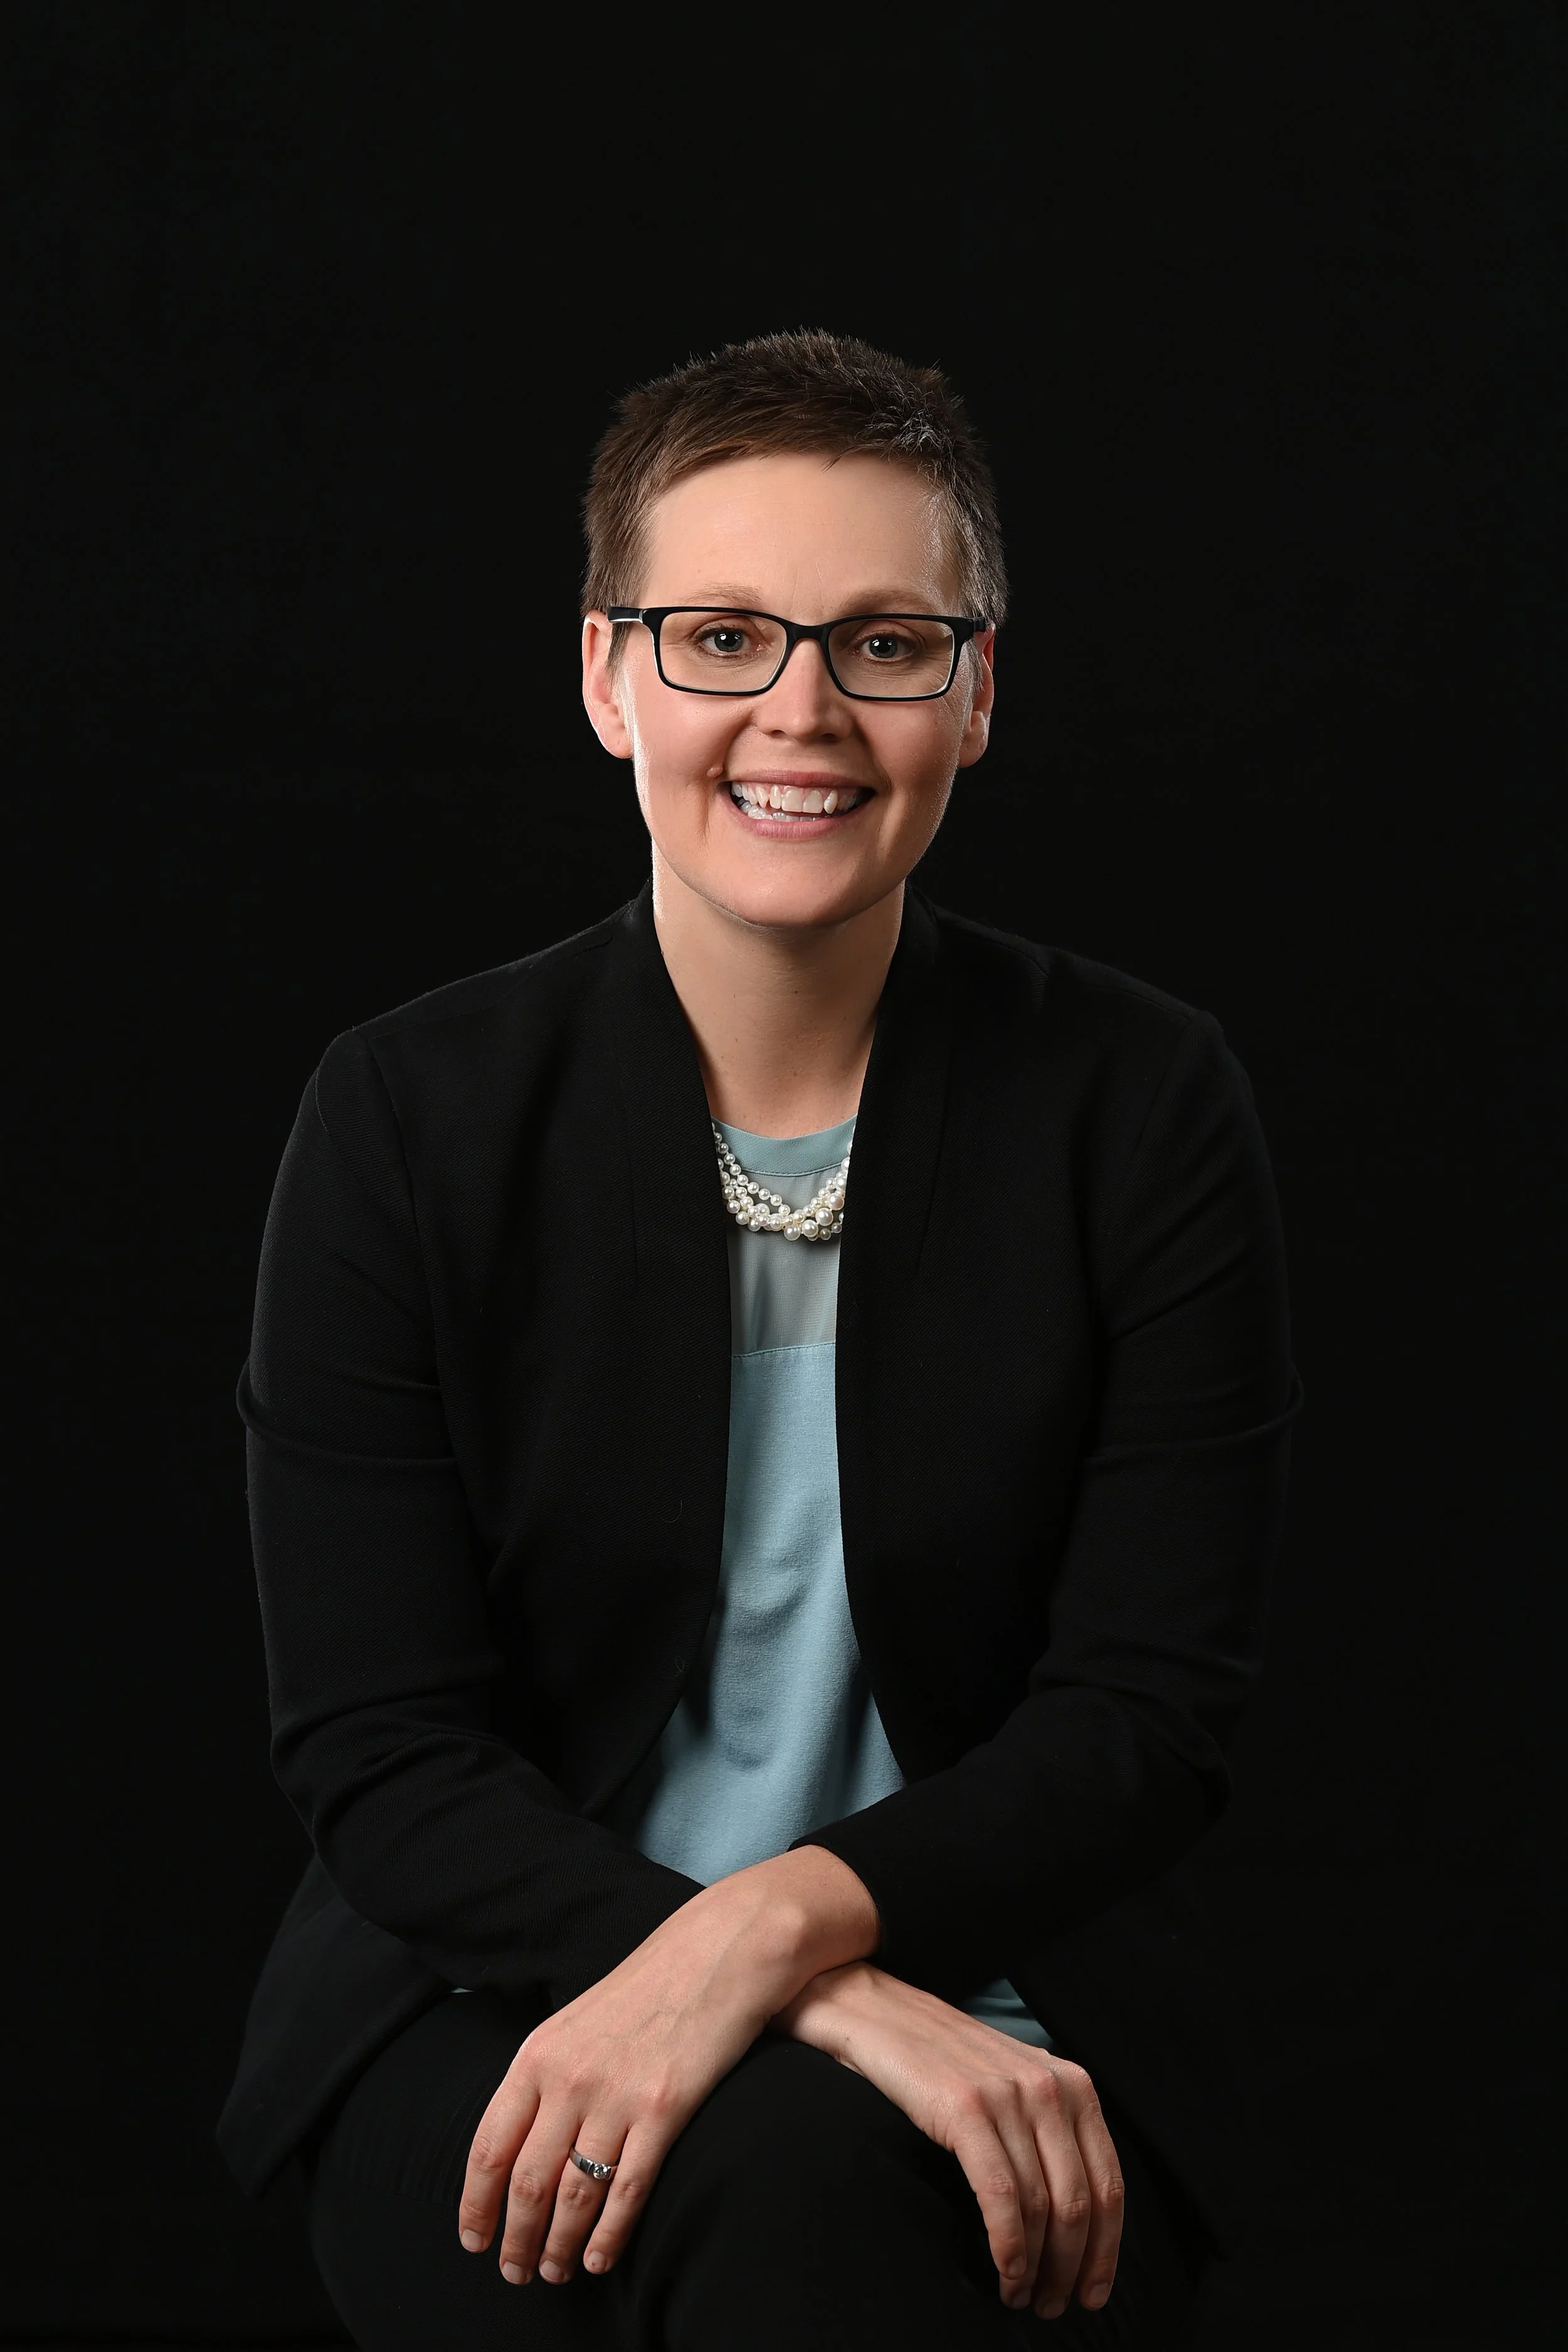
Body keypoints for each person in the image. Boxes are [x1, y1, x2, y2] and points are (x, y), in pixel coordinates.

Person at [219, 330, 1297, 2348]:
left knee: (834, 2209)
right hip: (500, 1991)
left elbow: (1138, 1722)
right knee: (774, 2201)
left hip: (1000, 2000)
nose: (800, 710)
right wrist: (755, 1977)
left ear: (974, 692)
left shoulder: (1140, 1101)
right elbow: (381, 1751)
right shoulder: (406, 1114)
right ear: (605, 672)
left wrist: (793, 1938)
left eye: (884, 642)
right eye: (718, 634)